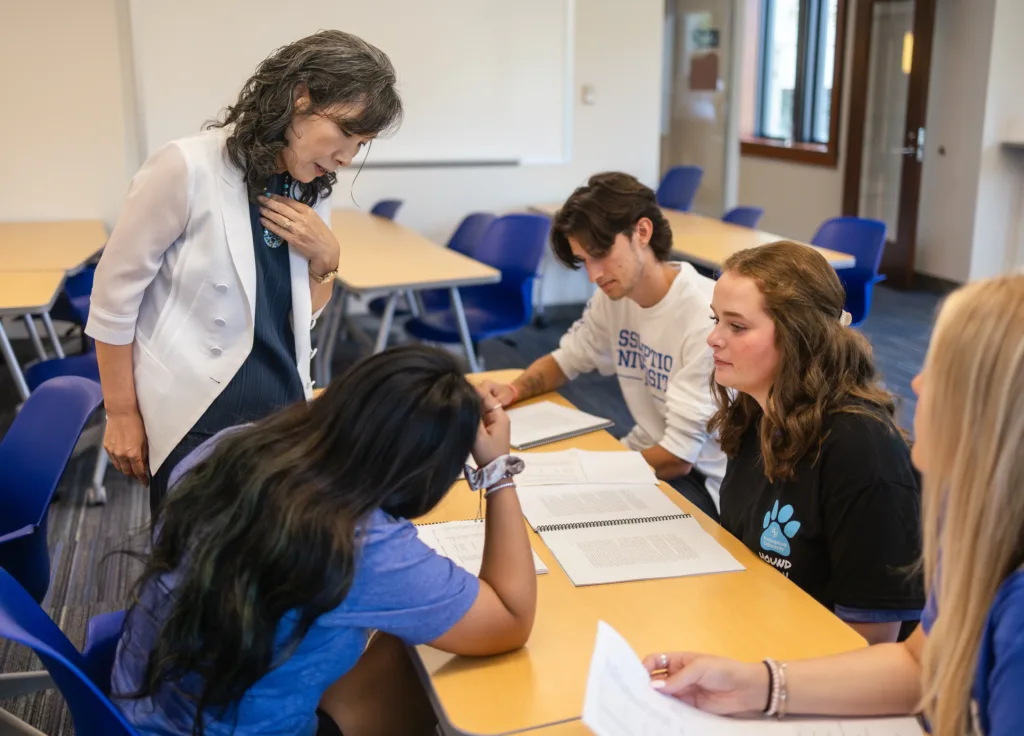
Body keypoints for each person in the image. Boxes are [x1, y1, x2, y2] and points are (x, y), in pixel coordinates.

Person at [644, 274, 1024, 736]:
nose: (919, 383)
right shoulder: (980, 533)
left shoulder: (1018, 613)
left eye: (944, 369)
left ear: (1001, 411)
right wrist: (757, 686)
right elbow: (919, 664)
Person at [112, 344, 538, 736]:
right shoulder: (358, 541)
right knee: (423, 655)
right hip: (221, 725)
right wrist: (496, 470)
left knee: (404, 629)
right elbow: (511, 620)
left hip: (141, 706)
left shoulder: (233, 444)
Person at [85, 30, 403, 515]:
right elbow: (113, 298)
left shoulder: (312, 182)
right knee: (193, 560)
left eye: (360, 145)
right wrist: (121, 412)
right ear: (301, 98)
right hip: (199, 408)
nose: (346, 158)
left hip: (284, 402)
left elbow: (302, 314)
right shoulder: (187, 166)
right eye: (345, 133)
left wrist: (327, 261)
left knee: (267, 560)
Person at [705, 241, 923, 644]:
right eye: (715, 319)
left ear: (798, 335)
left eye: (736, 326)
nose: (712, 338)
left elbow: (870, 641)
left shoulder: (862, 449)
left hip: (822, 670)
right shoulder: (756, 411)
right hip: (759, 626)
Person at [481, 172, 726, 519]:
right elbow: (565, 360)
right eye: (584, 261)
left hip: (705, 483)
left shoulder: (705, 314)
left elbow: (679, 458)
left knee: (566, 510)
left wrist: (585, 476)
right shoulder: (613, 297)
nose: (593, 275)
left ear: (642, 232)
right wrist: (513, 389)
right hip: (651, 448)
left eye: (601, 254)